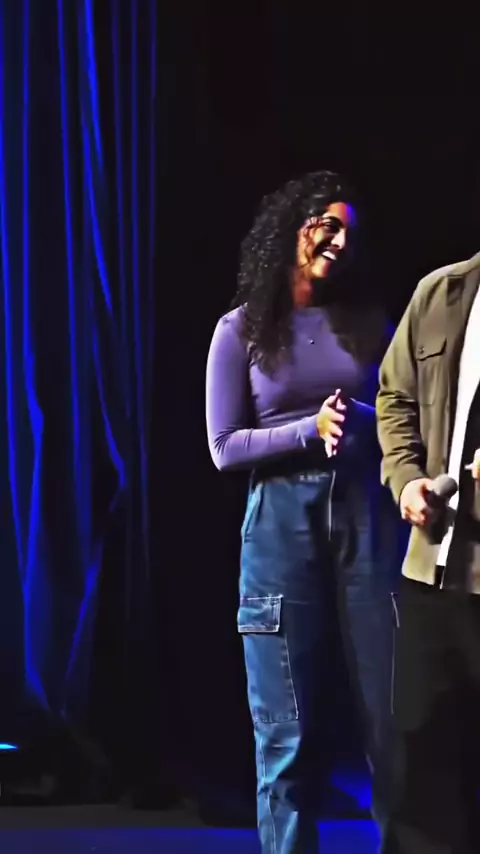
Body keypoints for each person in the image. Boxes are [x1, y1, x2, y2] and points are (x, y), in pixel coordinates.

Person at [206, 170, 403, 853]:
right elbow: (224, 446)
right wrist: (306, 431)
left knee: (392, 725)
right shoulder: (241, 330)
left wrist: (363, 421)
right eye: (328, 225)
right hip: (279, 524)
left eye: (350, 233)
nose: (340, 242)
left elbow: (404, 419)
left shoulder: (368, 325)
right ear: (293, 228)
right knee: (286, 734)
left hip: (366, 516)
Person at [376, 252, 480, 853]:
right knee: (423, 771)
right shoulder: (440, 293)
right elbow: (394, 397)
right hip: (433, 571)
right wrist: (407, 478)